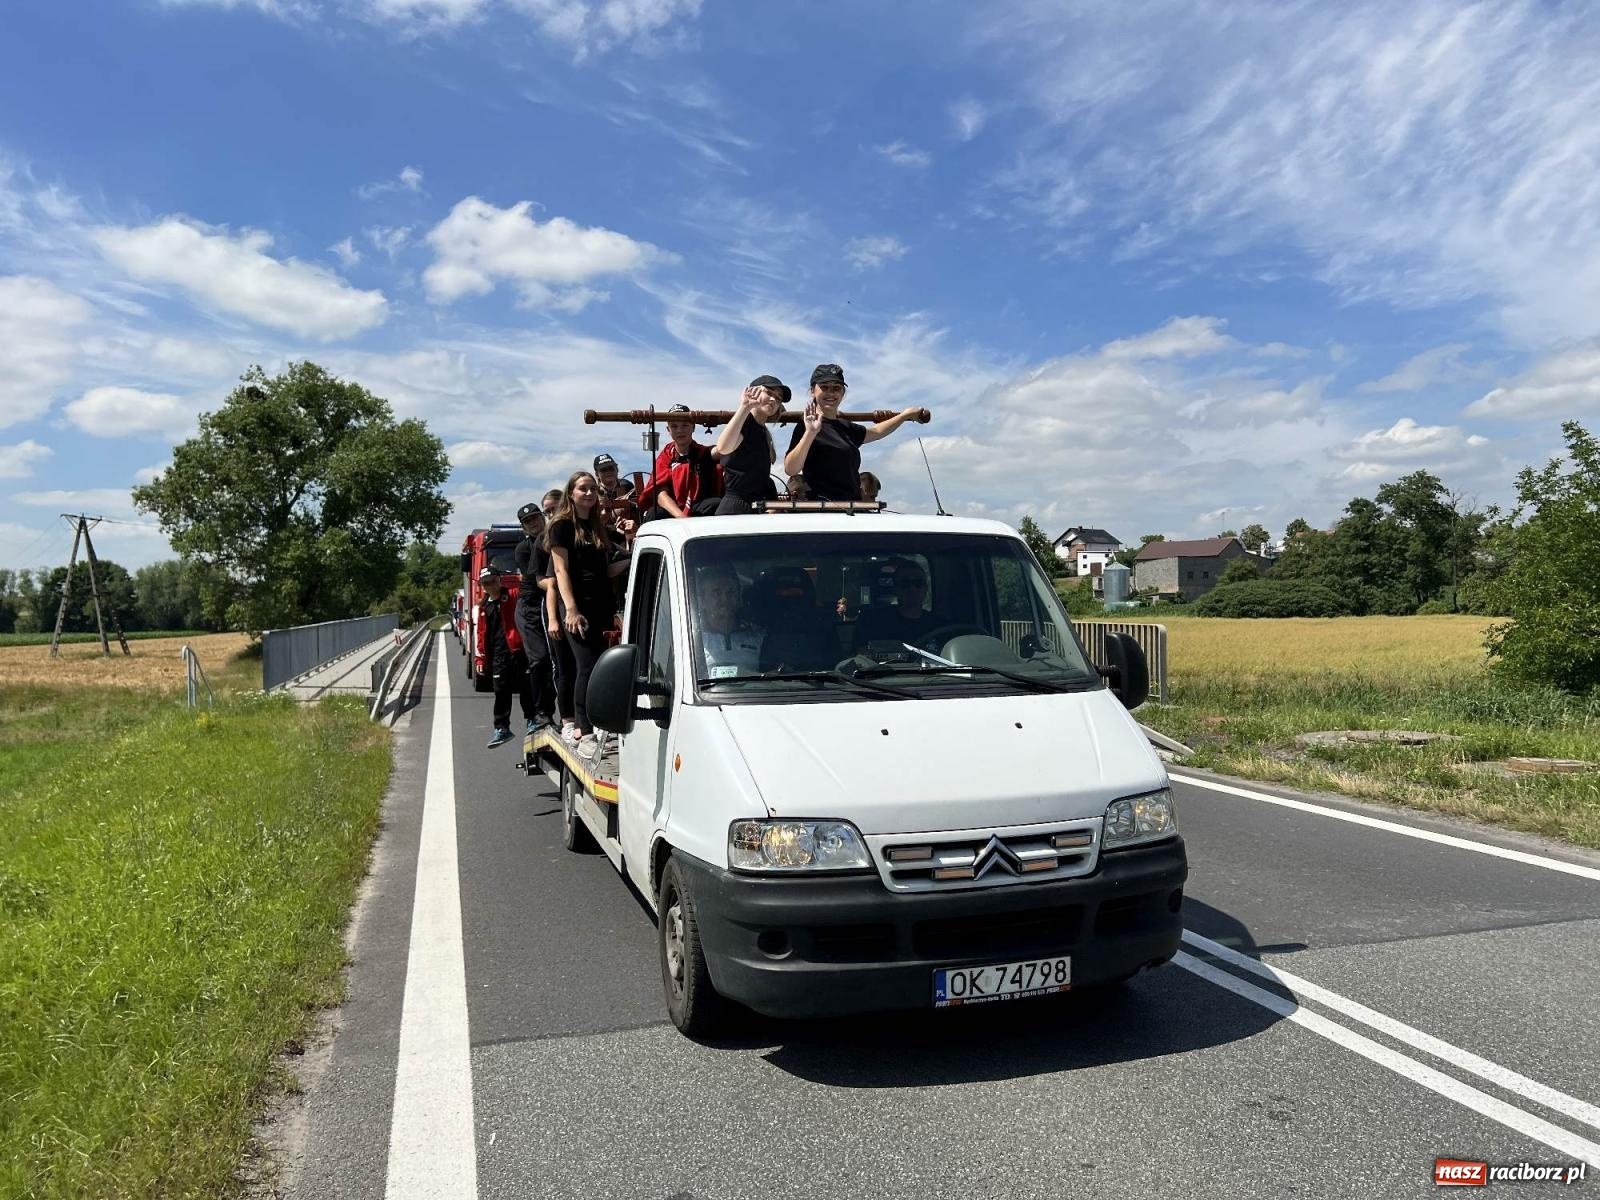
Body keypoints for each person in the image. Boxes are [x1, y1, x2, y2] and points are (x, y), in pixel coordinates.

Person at [547, 470, 631, 751]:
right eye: (583, 488)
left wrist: (633, 558)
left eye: (593, 489)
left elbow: (604, 570)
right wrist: (570, 609)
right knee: (584, 665)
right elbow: (560, 570)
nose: (589, 493)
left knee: (601, 666)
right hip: (576, 606)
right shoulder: (561, 526)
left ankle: (600, 723)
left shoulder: (597, 528)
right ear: (571, 493)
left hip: (602, 604)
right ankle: (583, 731)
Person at [783, 364, 921, 502]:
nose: (831, 392)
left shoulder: (846, 428)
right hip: (821, 507)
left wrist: (904, 415)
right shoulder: (806, 426)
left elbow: (877, 431)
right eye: (824, 387)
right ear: (813, 391)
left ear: (843, 393)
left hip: (852, 506)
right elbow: (791, 469)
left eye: (836, 388)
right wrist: (810, 433)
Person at [713, 376, 788, 515]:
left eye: (778, 398)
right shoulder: (745, 422)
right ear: (753, 391)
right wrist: (745, 406)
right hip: (735, 509)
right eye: (769, 393)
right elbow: (723, 447)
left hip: (754, 507)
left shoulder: (763, 432)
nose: (773, 399)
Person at [479, 567, 536, 748]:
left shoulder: (512, 595)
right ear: (483, 586)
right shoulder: (483, 607)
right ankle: (502, 728)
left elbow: (528, 591)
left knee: (526, 686)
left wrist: (524, 578)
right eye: (486, 583)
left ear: (499, 580)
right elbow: (481, 635)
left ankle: (532, 720)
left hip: (518, 649)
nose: (490, 585)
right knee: (501, 691)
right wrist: (480, 659)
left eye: (493, 581)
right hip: (498, 655)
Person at [512, 501, 556, 733]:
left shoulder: (555, 536)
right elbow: (540, 579)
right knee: (539, 659)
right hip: (530, 606)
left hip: (551, 603)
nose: (534, 523)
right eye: (528, 521)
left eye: (536, 518)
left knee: (557, 661)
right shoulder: (524, 549)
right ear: (524, 527)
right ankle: (541, 713)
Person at [641, 404, 723, 520]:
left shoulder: (704, 453)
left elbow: (724, 448)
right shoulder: (665, 457)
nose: (680, 430)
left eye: (685, 425)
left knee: (717, 504)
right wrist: (681, 517)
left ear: (693, 427)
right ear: (668, 430)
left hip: (698, 509)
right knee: (654, 513)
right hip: (674, 512)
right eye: (674, 426)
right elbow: (660, 494)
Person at [853, 560, 954, 650]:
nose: (912, 589)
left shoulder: (940, 627)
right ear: (895, 589)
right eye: (905, 583)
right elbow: (861, 657)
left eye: (918, 583)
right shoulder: (872, 622)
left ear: (925, 589)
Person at [693, 565, 763, 677]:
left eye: (730, 592)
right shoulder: (692, 642)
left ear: (739, 598)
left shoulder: (760, 638)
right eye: (717, 593)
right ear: (702, 601)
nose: (725, 599)